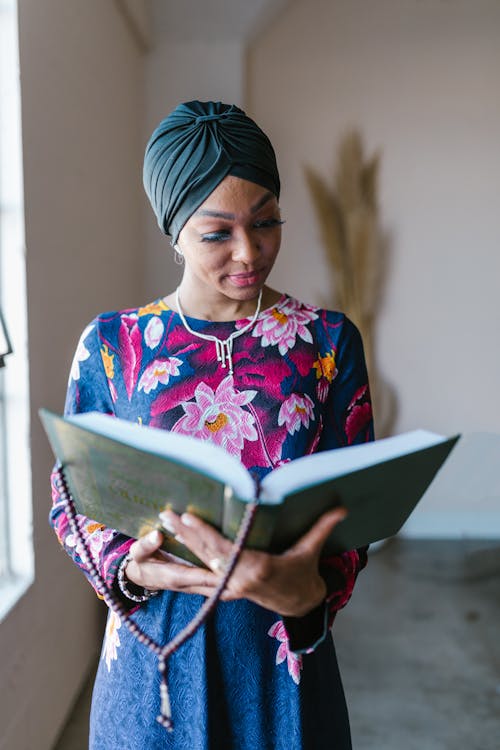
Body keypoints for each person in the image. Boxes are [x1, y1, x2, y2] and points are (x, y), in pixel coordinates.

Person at [50, 100, 374, 749]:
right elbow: (72, 498)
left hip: (284, 661)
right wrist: (131, 569)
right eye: (216, 233)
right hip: (153, 664)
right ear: (174, 230)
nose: (249, 253)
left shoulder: (326, 341)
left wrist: (308, 590)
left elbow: (355, 510)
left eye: (267, 222)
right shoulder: (115, 346)